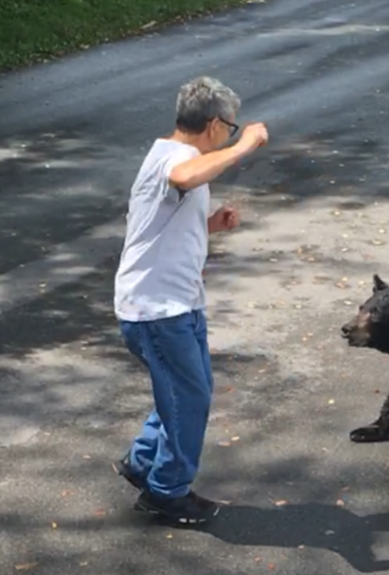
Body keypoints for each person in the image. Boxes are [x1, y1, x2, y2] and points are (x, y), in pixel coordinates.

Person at [111, 76, 268, 524]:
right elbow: (183, 176)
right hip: (156, 309)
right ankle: (167, 491)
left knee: (186, 391)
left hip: (176, 302)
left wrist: (211, 224)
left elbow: (156, 226)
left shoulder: (168, 154)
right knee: (188, 396)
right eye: (231, 131)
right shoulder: (178, 158)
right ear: (215, 125)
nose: (232, 138)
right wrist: (245, 147)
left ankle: (143, 462)